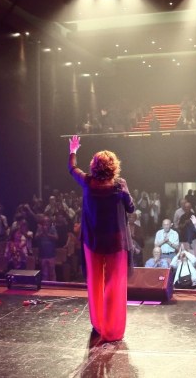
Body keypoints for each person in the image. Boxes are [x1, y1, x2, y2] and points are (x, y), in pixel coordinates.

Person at [68, 135, 134, 343]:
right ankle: (113, 328)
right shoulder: (119, 185)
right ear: (114, 167)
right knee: (115, 284)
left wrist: (73, 151)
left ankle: (98, 323)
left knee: (95, 282)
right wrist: (125, 194)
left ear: (94, 166)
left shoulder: (88, 183)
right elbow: (131, 208)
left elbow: (72, 168)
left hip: (94, 241)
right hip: (115, 243)